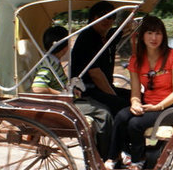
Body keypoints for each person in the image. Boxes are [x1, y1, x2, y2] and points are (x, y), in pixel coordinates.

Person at [106, 16, 173, 170]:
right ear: (142, 36)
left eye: (158, 33)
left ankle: (139, 159)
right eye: (149, 33)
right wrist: (135, 103)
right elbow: (135, 93)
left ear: (163, 36)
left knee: (135, 123)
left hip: (170, 107)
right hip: (147, 104)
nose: (154, 38)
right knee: (121, 116)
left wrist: (158, 106)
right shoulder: (136, 60)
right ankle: (114, 155)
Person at [32, 25, 113, 157]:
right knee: (104, 113)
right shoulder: (49, 64)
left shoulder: (53, 61)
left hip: (66, 101)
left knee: (99, 104)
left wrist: (71, 91)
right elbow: (38, 87)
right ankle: (105, 157)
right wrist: (61, 95)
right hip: (61, 105)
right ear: (64, 47)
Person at [70, 1, 131, 115]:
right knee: (124, 105)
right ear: (94, 17)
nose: (108, 20)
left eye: (112, 17)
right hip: (87, 90)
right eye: (103, 15)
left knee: (138, 97)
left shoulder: (104, 37)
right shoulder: (88, 38)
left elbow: (123, 30)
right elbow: (95, 74)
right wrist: (114, 95)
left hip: (102, 88)